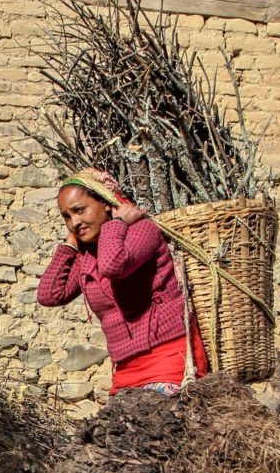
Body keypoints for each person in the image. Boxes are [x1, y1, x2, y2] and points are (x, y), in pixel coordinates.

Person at [37, 169, 207, 396]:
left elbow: (112, 266)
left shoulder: (142, 231)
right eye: (66, 217)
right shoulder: (87, 255)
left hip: (169, 359)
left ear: (105, 203)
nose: (74, 222)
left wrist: (115, 224)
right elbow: (49, 295)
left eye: (80, 210)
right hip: (126, 369)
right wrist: (70, 246)